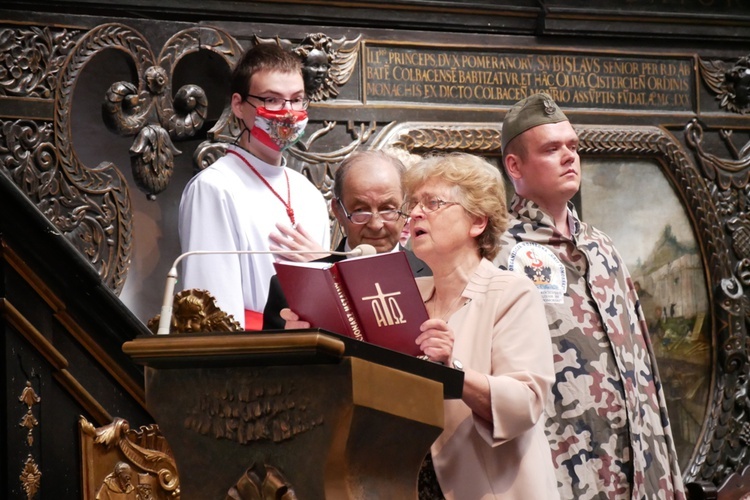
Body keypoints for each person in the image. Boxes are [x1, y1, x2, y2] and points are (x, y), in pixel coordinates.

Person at [283, 152, 559, 499]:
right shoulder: (406, 294)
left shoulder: (511, 293)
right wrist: (314, 338)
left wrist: (453, 370)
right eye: (414, 204)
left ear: (477, 222)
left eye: (433, 203)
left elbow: (525, 402)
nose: (414, 213)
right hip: (401, 484)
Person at [496, 92, 686, 499]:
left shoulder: (602, 247)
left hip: (636, 463)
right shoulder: (500, 253)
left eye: (573, 147)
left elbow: (644, 370)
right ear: (515, 165)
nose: (569, 157)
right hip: (563, 466)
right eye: (552, 149)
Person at [178, 43, 330, 330]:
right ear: (239, 105)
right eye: (272, 100)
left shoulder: (309, 193)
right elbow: (212, 310)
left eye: (297, 100)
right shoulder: (215, 188)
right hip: (252, 352)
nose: (288, 113)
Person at [263, 149, 431, 329]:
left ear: (405, 206)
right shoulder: (292, 290)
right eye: (360, 210)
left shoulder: (435, 275)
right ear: (338, 211)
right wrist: (295, 346)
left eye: (387, 209)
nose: (375, 224)